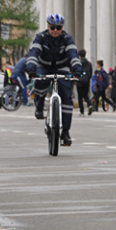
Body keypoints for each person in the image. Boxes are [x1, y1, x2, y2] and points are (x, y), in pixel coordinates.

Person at [25, 13, 82, 146]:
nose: (55, 30)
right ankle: (39, 106)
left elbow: (73, 54)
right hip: (44, 66)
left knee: (67, 96)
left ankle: (66, 131)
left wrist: (77, 69)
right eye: (52, 27)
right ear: (48, 27)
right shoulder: (41, 37)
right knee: (40, 82)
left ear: (62, 28)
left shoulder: (67, 38)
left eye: (58, 28)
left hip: (62, 67)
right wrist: (31, 68)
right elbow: (34, 52)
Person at [77, 49, 93, 116]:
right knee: (86, 95)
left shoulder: (78, 62)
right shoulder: (89, 63)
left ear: (79, 55)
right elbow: (91, 73)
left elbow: (75, 71)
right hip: (86, 81)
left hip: (79, 81)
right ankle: (89, 104)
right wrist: (88, 79)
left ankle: (82, 111)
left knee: (80, 97)